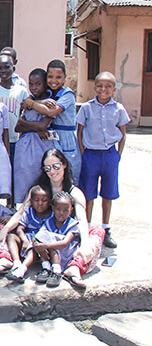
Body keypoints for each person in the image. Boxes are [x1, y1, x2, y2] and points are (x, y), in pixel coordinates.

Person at [0, 149, 106, 290]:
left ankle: (74, 268)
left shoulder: (75, 193)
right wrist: (5, 230)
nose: (52, 171)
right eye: (47, 168)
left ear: (64, 165)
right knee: (2, 225)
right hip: (35, 239)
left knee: (97, 232)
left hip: (62, 242)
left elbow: (81, 220)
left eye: (56, 166)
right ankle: (6, 259)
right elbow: (21, 212)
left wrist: (84, 244)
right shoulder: (38, 190)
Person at [76, 71, 130, 249]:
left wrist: (117, 156)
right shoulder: (87, 108)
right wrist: (84, 153)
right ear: (94, 87)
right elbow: (80, 132)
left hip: (109, 155)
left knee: (108, 193)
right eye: (99, 86)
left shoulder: (119, 109)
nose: (103, 89)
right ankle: (87, 228)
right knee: (88, 193)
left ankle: (105, 229)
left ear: (114, 89)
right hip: (90, 155)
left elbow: (123, 134)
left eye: (108, 86)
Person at [23, 60, 81, 182]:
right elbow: (24, 104)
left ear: (65, 77)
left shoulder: (67, 94)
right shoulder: (47, 94)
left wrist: (31, 103)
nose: (54, 80)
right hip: (50, 138)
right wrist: (32, 102)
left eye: (58, 77)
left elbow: (51, 112)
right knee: (53, 174)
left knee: (70, 173)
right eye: (50, 77)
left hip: (66, 138)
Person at [13, 69, 54, 203]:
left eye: (38, 84)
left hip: (42, 145)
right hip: (25, 147)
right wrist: (34, 126)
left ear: (45, 84)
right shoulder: (27, 102)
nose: (34, 87)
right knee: (23, 178)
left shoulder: (49, 103)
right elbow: (17, 127)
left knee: (40, 177)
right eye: (31, 84)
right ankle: (24, 208)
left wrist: (25, 123)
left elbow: (43, 125)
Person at [4, 185, 52, 282]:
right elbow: (20, 228)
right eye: (36, 200)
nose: (40, 203)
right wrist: (24, 240)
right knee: (11, 237)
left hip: (40, 245)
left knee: (35, 247)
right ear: (31, 201)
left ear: (50, 202)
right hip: (26, 241)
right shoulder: (29, 212)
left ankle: (22, 270)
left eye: (44, 200)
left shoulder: (51, 215)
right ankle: (17, 263)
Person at [33, 191, 80, 288]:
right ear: (53, 208)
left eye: (65, 210)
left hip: (67, 253)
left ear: (71, 210)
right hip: (52, 252)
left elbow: (65, 243)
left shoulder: (72, 224)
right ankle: (46, 267)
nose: (61, 213)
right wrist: (37, 244)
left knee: (51, 240)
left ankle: (57, 271)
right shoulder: (49, 222)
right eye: (58, 209)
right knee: (41, 237)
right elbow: (39, 236)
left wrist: (46, 246)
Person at [0, 54, 29, 166]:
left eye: (7, 67)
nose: (3, 70)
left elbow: (26, 114)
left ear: (13, 68)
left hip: (16, 140)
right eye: (0, 68)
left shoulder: (21, 91)